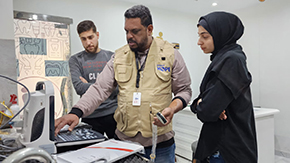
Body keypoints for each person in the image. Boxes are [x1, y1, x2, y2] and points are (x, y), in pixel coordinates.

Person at [55, 5, 192, 163]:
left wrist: (173, 108)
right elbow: (99, 89)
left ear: (149, 29)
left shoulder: (170, 54)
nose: (129, 36)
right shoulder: (118, 57)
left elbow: (184, 91)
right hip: (124, 144)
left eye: (135, 31)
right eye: (126, 31)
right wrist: (77, 112)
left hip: (160, 144)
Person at [190, 11, 257, 163]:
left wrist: (204, 104)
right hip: (222, 145)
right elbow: (203, 105)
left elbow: (206, 111)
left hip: (227, 149)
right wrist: (201, 103)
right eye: (199, 36)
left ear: (221, 33)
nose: (199, 42)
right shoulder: (222, 58)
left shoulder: (231, 59)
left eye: (205, 36)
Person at [69, 20, 118, 139]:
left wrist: (89, 85)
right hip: (89, 115)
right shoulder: (76, 60)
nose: (88, 42)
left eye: (91, 37)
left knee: (118, 152)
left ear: (97, 35)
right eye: (83, 39)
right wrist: (105, 86)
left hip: (113, 114)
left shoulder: (112, 57)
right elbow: (79, 88)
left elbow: (118, 88)